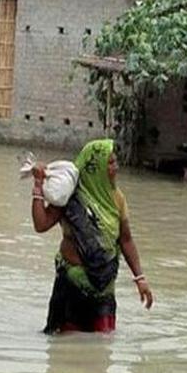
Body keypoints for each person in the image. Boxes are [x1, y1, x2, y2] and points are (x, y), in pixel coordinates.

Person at [31, 139, 153, 334]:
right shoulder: (70, 196)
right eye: (110, 163)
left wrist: (140, 278)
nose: (116, 168)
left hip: (104, 289)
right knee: (65, 350)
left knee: (101, 349)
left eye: (115, 162)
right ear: (94, 168)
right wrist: (38, 186)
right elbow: (41, 224)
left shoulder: (117, 199)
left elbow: (126, 239)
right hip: (71, 286)